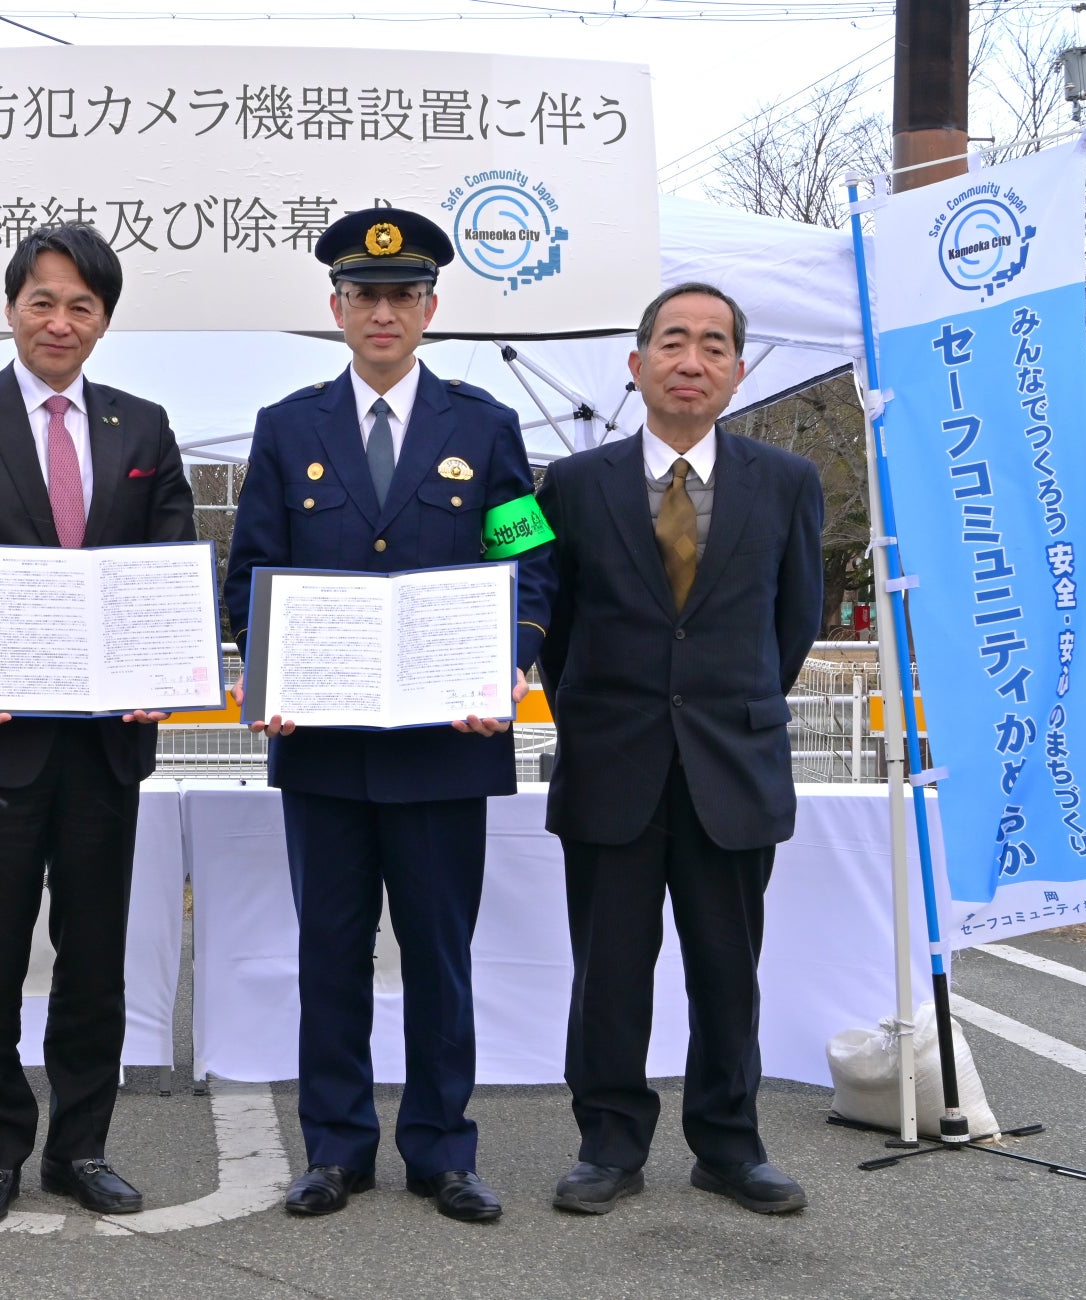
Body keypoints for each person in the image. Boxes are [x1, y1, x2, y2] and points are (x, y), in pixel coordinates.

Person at [222, 207, 556, 1223]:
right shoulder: (289, 427)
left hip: (446, 748)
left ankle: (443, 1150)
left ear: (430, 308)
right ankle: (335, 1149)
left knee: (440, 958)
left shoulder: (484, 426)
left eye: (402, 295)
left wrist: (508, 660)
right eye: (363, 295)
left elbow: (527, 562)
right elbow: (251, 574)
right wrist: (268, 672)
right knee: (329, 954)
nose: (382, 311)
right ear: (336, 308)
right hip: (323, 749)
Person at [0, 223, 196, 1229]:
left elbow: (170, 567)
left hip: (105, 742)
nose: (61, 321)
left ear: (104, 320)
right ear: (12, 308)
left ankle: (81, 1148)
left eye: (81, 306)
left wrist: (166, 668)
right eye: (42, 301)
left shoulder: (143, 426)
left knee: (95, 962)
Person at [535, 282, 823, 1216]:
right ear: (637, 363)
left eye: (712, 345)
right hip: (611, 766)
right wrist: (600, 713)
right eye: (672, 342)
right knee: (609, 974)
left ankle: (730, 1146)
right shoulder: (569, 485)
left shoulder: (788, 483)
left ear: (736, 371)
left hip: (731, 769)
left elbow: (794, 624)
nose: (690, 360)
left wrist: (720, 707)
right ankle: (608, 1145)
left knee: (727, 974)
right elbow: (552, 626)